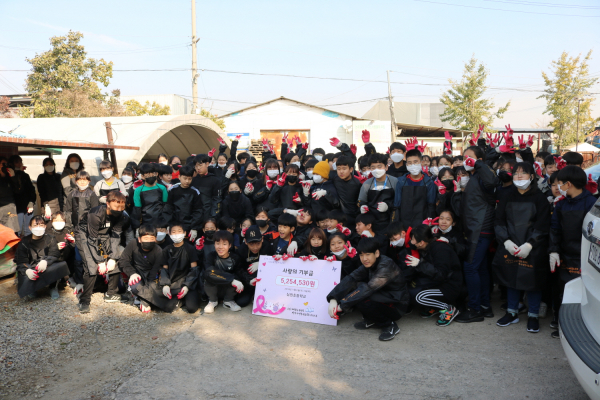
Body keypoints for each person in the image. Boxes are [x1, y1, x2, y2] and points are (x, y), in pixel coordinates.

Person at [493, 162, 551, 333]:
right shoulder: (507, 196)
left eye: (523, 174)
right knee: (511, 279)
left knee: (532, 281)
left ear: (531, 177)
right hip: (511, 245)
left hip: (532, 247)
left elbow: (542, 224)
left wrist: (530, 244)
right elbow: (499, 221)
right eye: (516, 174)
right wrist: (506, 241)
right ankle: (512, 312)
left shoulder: (539, 198)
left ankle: (533, 315)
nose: (519, 177)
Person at [326, 237, 409, 341]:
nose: (364, 258)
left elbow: (369, 288)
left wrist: (341, 305)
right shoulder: (370, 263)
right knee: (356, 286)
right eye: (361, 255)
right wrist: (333, 299)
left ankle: (389, 325)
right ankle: (373, 319)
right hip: (383, 296)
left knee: (363, 297)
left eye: (368, 254)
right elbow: (352, 278)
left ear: (377, 253)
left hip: (397, 305)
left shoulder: (386, 266)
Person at [549, 165, 596, 338]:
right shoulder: (561, 205)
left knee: (584, 294)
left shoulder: (591, 203)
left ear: (568, 184)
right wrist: (553, 251)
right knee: (564, 291)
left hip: (585, 257)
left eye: (560, 183)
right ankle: (564, 326)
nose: (558, 186)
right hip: (565, 255)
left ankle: (584, 329)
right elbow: (555, 229)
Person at [454, 146, 500, 323]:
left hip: (481, 229)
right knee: (479, 268)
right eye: (465, 157)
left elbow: (492, 182)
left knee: (470, 267)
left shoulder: (483, 174)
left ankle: (474, 309)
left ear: (480, 160)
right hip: (474, 229)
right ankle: (484, 306)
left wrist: (480, 164)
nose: (467, 160)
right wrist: (457, 193)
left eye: (470, 158)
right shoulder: (473, 177)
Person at [76, 191, 131, 313]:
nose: (119, 209)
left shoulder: (122, 216)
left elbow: (116, 236)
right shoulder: (96, 214)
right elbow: (92, 239)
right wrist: (100, 261)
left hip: (104, 234)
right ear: (108, 204)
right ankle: (84, 300)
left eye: (122, 207)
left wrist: (112, 258)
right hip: (86, 235)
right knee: (91, 266)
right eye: (116, 206)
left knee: (115, 262)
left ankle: (111, 293)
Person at [403, 225, 463, 327]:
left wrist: (420, 264)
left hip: (449, 285)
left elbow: (441, 275)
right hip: (436, 282)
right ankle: (434, 307)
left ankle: (448, 309)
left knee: (419, 297)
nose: (411, 242)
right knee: (411, 289)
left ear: (421, 242)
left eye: (413, 239)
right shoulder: (427, 246)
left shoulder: (440, 249)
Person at [121, 224, 173, 314]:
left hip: (152, 276)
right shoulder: (133, 244)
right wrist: (132, 273)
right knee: (134, 285)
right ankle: (143, 297)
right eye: (146, 238)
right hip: (137, 273)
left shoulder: (158, 251)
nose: (149, 241)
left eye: (152, 238)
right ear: (139, 239)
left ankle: (142, 298)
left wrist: (145, 301)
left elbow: (154, 272)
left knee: (156, 288)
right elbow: (123, 260)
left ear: (155, 239)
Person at [15, 215, 70, 299]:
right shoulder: (24, 242)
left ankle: (53, 287)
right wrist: (27, 270)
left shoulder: (51, 239)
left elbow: (54, 254)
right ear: (30, 227)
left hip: (46, 267)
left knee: (60, 265)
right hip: (32, 268)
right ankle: (32, 289)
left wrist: (46, 261)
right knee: (22, 272)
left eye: (41, 225)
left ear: (45, 226)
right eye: (35, 225)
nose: (38, 227)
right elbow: (20, 261)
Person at [393, 149, 436, 229]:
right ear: (406, 164)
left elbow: (431, 205)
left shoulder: (429, 183)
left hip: (422, 223)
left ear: (421, 162)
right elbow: (396, 205)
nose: (413, 165)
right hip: (404, 223)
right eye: (410, 163)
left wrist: (429, 223)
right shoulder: (401, 181)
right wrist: (396, 225)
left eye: (415, 162)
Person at [203, 230, 244, 313]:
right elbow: (208, 272)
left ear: (230, 245)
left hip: (228, 289)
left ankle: (228, 301)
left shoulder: (235, 258)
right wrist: (231, 280)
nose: (220, 247)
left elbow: (240, 272)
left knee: (237, 278)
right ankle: (212, 301)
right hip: (214, 289)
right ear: (214, 244)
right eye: (218, 243)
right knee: (208, 276)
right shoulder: (211, 256)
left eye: (224, 244)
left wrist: (249, 280)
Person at [235, 225, 274, 307]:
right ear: (245, 241)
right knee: (241, 302)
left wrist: (261, 262)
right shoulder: (241, 250)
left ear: (262, 239)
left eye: (258, 243)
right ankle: (252, 292)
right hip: (249, 279)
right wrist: (249, 280)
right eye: (251, 244)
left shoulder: (267, 246)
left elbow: (273, 263)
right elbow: (239, 269)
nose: (255, 247)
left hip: (264, 278)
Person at [358, 153, 397, 232]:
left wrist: (388, 206)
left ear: (386, 167)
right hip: (372, 223)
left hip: (390, 221)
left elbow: (400, 202)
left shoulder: (395, 181)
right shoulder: (367, 184)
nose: (376, 170)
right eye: (373, 167)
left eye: (379, 167)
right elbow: (361, 201)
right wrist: (362, 207)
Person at [167, 165, 203, 243]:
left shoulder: (195, 192)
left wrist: (194, 228)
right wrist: (168, 224)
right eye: (185, 178)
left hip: (189, 227)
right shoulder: (172, 190)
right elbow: (169, 208)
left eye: (189, 179)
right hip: (175, 226)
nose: (187, 181)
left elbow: (198, 211)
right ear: (179, 177)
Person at [131, 163, 170, 230]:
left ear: (156, 174)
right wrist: (137, 227)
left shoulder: (162, 188)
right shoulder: (138, 190)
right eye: (148, 174)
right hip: (145, 223)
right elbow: (137, 210)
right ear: (142, 176)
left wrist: (166, 223)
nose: (151, 175)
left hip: (161, 223)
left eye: (153, 173)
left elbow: (166, 206)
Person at [331, 155, 362, 229]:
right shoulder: (335, 179)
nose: (341, 171)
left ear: (351, 169)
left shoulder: (357, 183)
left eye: (344, 169)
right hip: (340, 217)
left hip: (354, 217)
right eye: (338, 169)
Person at [9, 155, 36, 236]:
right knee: (17, 230)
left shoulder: (25, 175)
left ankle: (27, 247)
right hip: (16, 207)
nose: (20, 164)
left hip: (27, 206)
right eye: (17, 162)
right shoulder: (9, 177)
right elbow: (17, 190)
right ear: (11, 164)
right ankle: (17, 248)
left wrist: (31, 202)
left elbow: (31, 190)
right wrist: (14, 176)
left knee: (29, 230)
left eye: (20, 162)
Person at [192, 154, 221, 223]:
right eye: (196, 166)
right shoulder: (193, 180)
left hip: (209, 215)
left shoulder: (215, 180)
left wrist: (212, 217)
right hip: (195, 216)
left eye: (200, 165)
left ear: (207, 164)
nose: (198, 168)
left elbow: (217, 200)